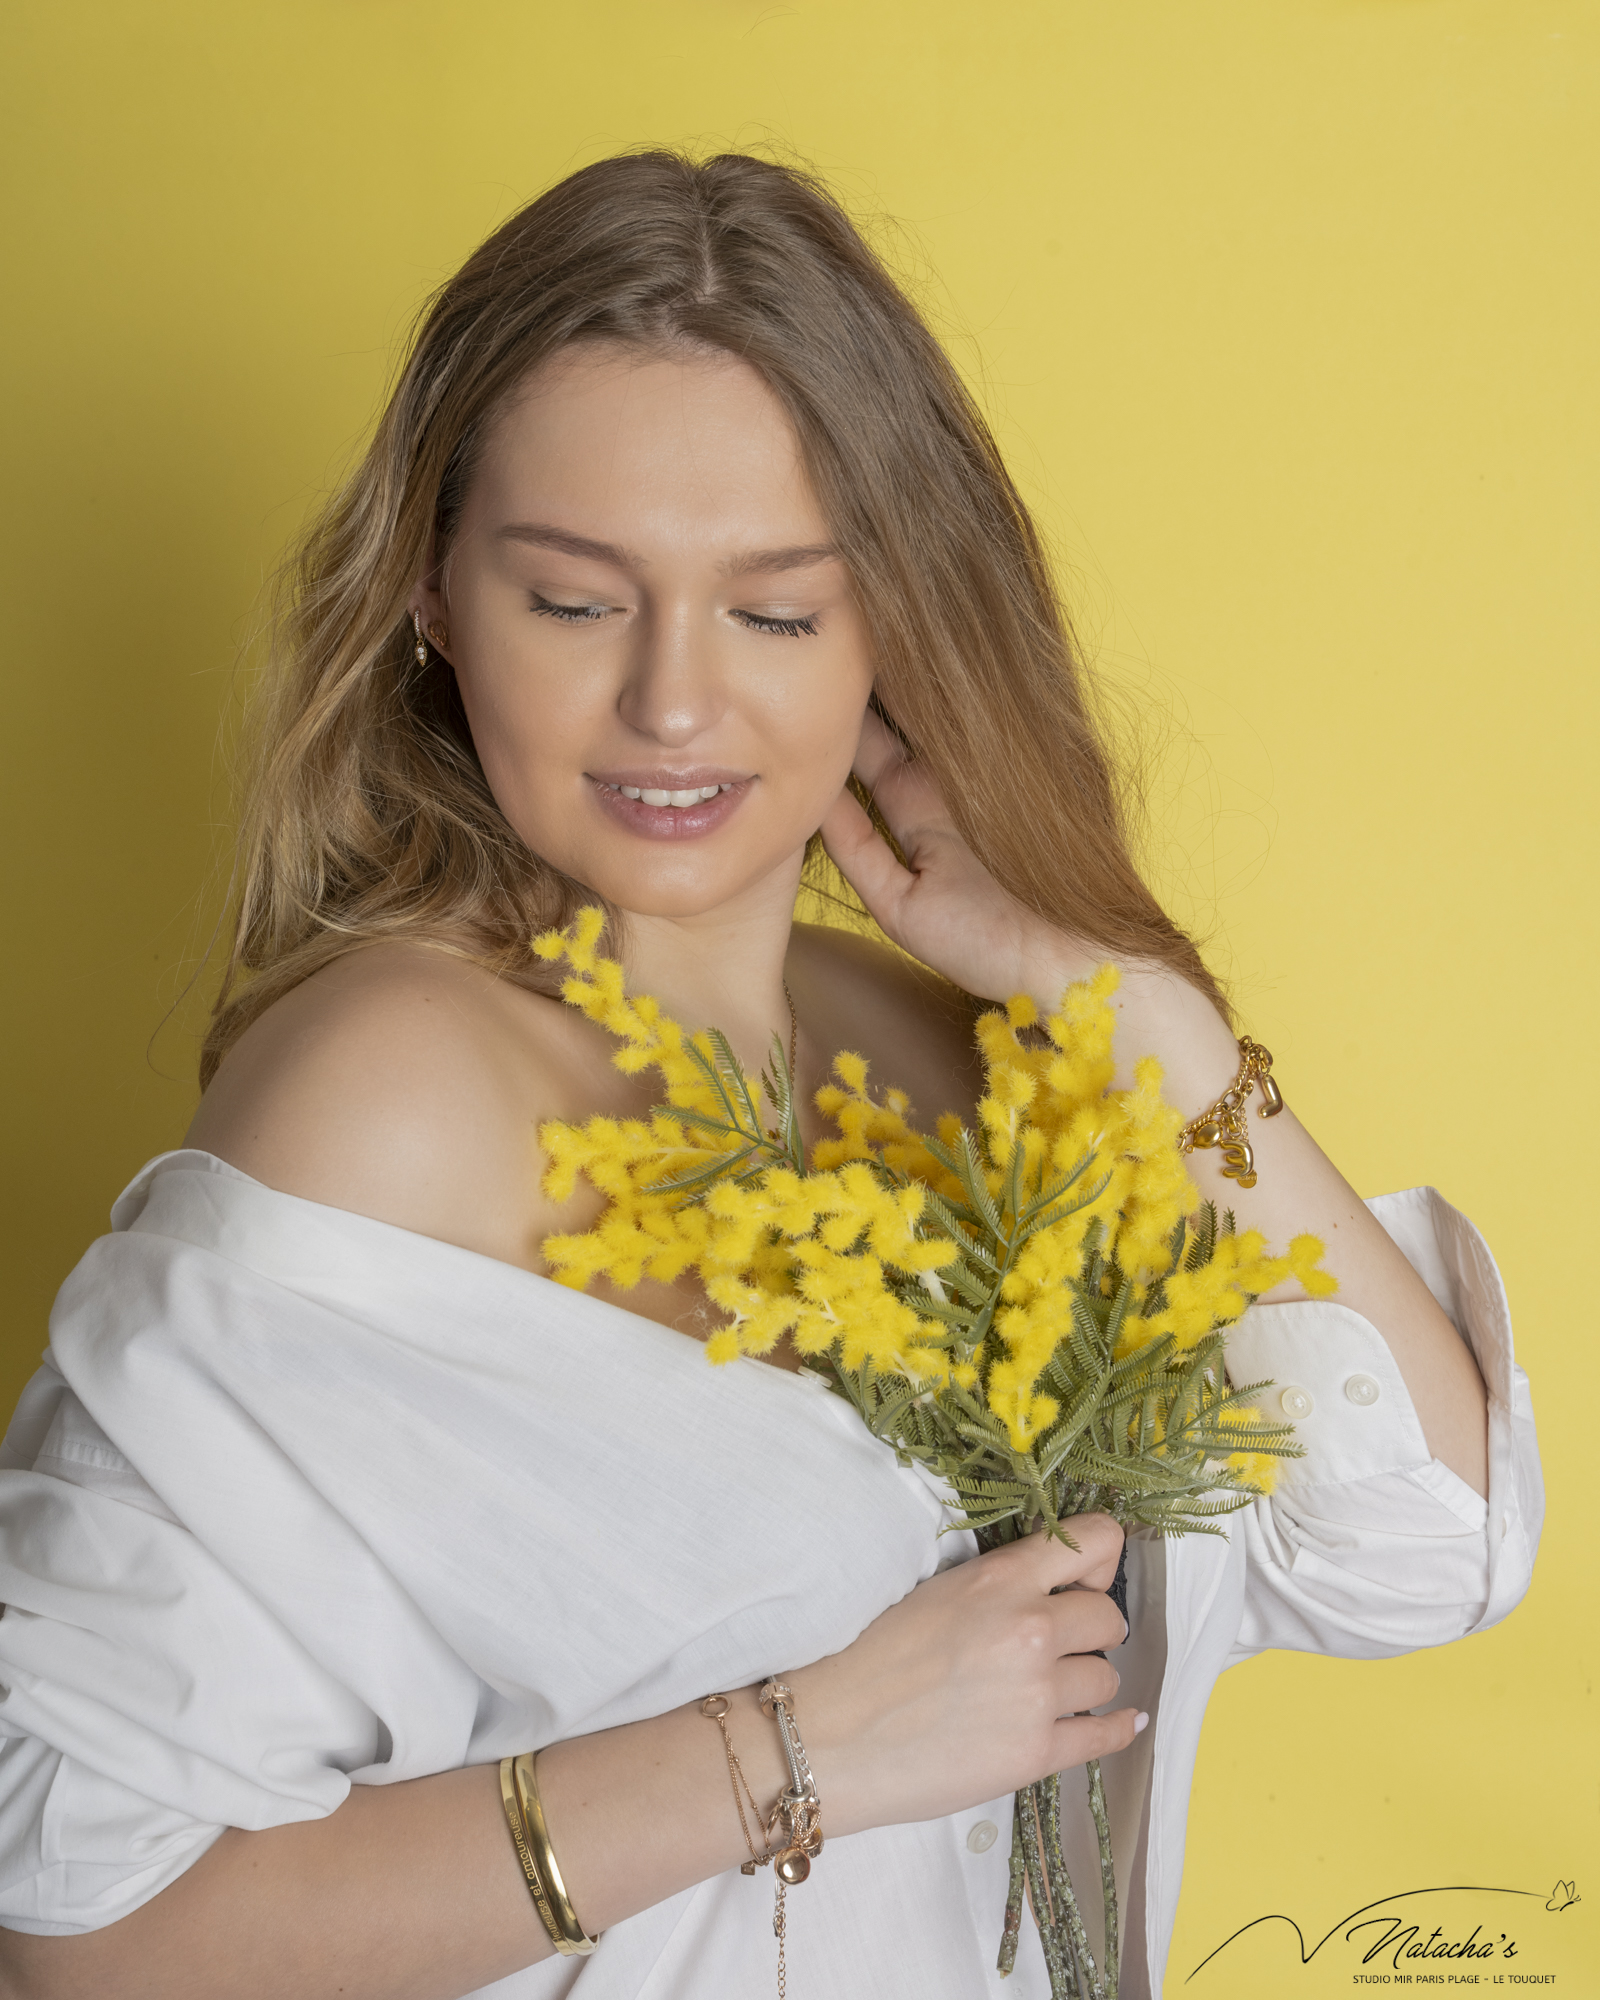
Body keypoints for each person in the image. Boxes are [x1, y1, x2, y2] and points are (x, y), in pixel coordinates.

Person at [0, 151, 1541, 2000]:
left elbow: (1417, 1550)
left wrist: (1141, 1013)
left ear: (897, 618)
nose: (673, 703)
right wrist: (797, 1752)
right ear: (431, 596)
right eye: (575, 602)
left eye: (779, 611)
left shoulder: (971, 1058)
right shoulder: (387, 1098)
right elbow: (76, 1932)